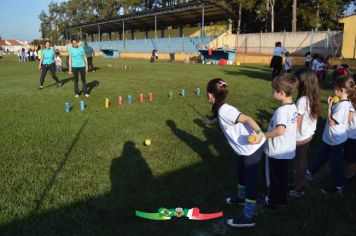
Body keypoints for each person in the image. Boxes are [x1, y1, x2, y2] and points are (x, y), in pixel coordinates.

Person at [206, 78, 266, 228]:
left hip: (252, 148)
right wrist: (211, 121)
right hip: (244, 150)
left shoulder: (226, 110)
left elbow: (247, 119)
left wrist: (258, 133)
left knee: (250, 180)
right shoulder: (221, 109)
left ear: (209, 95)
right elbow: (222, 118)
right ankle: (241, 198)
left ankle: (248, 217)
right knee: (240, 170)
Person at [306, 76, 355, 193]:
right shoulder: (345, 102)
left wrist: (329, 106)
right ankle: (309, 172)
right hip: (330, 138)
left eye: (335, 88)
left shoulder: (343, 105)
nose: (333, 90)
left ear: (342, 90)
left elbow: (331, 122)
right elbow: (346, 119)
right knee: (322, 155)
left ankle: (339, 186)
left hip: (336, 140)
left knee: (336, 163)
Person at [264, 73, 298, 209]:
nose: (272, 93)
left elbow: (280, 131)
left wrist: (264, 135)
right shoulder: (293, 107)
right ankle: (282, 199)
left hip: (276, 151)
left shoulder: (282, 111)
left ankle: (271, 202)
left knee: (273, 179)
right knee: (282, 177)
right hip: (287, 151)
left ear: (282, 93)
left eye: (274, 91)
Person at [289, 69, 321, 197]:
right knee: (303, 159)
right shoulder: (313, 96)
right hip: (308, 134)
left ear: (304, 83)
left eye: (297, 81)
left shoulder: (302, 100)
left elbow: (298, 121)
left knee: (298, 162)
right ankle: (300, 183)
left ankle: (298, 188)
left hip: (301, 136)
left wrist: (290, 135)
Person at [345, 75, 356, 183]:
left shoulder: (351, 102)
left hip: (352, 134)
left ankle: (349, 175)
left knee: (351, 157)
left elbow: (349, 119)